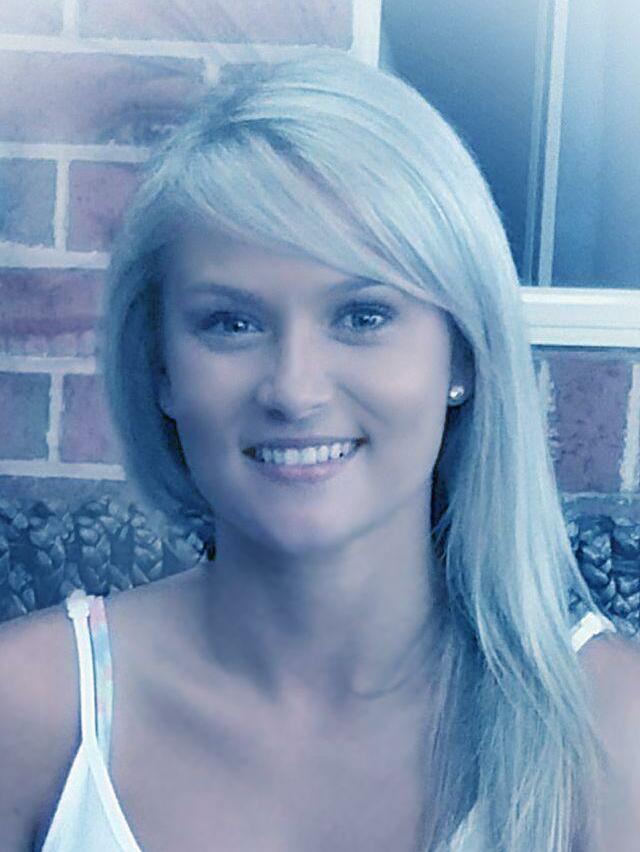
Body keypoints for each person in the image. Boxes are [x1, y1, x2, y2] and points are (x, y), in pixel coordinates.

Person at [1, 47, 639, 852]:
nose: (294, 389)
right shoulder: (30, 715)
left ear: (464, 356)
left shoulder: (608, 727)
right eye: (232, 323)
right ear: (162, 369)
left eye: (362, 316)